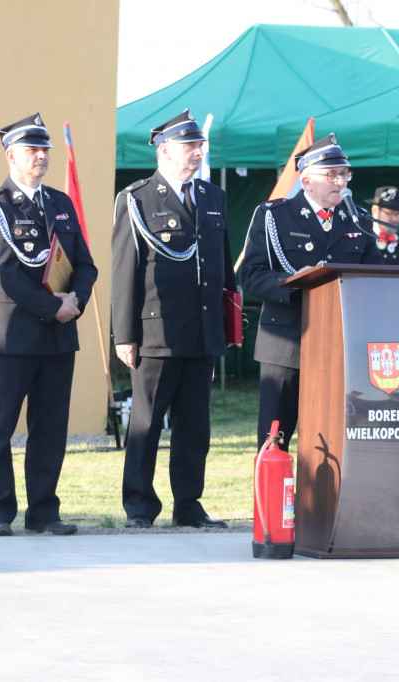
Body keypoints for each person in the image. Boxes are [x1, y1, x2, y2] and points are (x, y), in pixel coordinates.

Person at [0, 113, 98, 537]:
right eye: (33, 149)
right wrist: (52, 307)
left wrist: (75, 301)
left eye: (45, 149)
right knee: (0, 428)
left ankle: (44, 512)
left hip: (59, 335)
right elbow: (6, 272)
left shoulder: (60, 204)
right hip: (13, 335)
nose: (42, 156)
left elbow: (85, 264)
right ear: (11, 155)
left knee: (49, 429)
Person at [111, 109, 236, 529]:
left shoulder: (212, 197)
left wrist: (228, 323)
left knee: (194, 427)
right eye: (189, 146)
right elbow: (125, 270)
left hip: (202, 331)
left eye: (200, 146)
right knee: (146, 424)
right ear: (164, 150)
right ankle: (140, 505)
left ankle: (189, 503)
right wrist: (124, 334)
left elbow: (222, 269)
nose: (198, 153)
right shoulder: (137, 198)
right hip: (156, 329)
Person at [240, 133, 380, 450]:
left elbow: (375, 274)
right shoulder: (274, 215)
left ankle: (324, 501)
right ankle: (274, 501)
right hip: (286, 342)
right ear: (306, 181)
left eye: (345, 174)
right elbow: (251, 275)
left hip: (340, 343)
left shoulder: (359, 219)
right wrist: (291, 284)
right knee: (274, 441)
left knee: (332, 442)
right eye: (331, 175)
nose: (340, 181)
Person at [365, 186, 399, 265]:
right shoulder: (363, 237)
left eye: (398, 214)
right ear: (375, 211)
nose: (394, 219)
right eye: (389, 213)